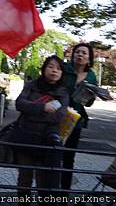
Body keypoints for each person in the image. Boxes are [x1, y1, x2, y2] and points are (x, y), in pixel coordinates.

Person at [12, 55, 69, 204]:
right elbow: (19, 104)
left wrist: (31, 114)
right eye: (50, 66)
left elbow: (59, 116)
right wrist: (42, 107)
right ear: (44, 69)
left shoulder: (63, 92)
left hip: (46, 141)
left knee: (43, 179)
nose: (54, 71)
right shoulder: (32, 85)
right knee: (24, 177)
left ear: (62, 73)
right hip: (26, 138)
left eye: (58, 68)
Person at [61, 43, 98, 192]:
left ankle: (64, 194)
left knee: (69, 157)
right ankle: (49, 191)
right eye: (77, 52)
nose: (80, 55)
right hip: (58, 115)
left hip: (75, 119)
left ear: (89, 58)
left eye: (84, 53)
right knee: (52, 153)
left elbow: (88, 103)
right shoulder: (64, 69)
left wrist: (92, 95)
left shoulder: (91, 75)